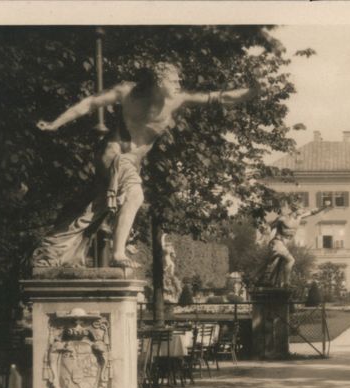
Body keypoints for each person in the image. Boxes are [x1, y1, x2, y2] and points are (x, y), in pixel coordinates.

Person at [33, 62, 257, 268]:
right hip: (114, 154)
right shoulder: (127, 92)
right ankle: (117, 254)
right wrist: (55, 124)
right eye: (174, 80)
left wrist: (253, 91)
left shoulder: (177, 99)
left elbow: (221, 97)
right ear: (159, 82)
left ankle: (56, 248)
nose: (179, 84)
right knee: (134, 195)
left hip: (132, 162)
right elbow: (89, 104)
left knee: (98, 208)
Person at [257, 201, 332, 287]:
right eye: (301, 209)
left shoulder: (299, 217)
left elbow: (312, 212)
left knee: (273, 265)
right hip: (277, 242)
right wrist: (261, 239)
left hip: (284, 244)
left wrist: (324, 206)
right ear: (295, 209)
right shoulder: (282, 219)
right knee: (290, 260)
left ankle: (265, 281)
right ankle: (286, 283)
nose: (303, 211)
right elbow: (270, 227)